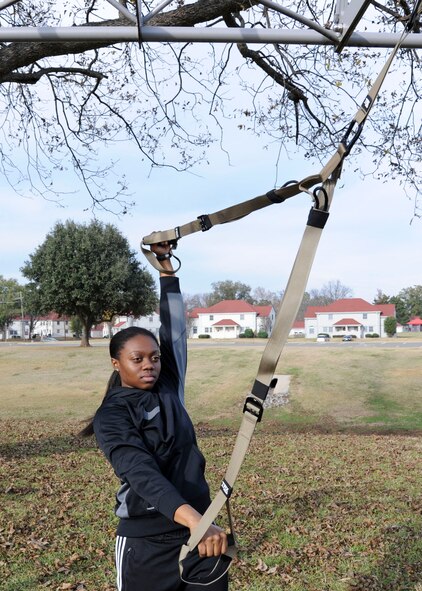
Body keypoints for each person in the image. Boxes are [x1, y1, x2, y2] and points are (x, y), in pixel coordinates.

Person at [81, 241, 229, 591]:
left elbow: (174, 331)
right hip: (147, 544)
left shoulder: (168, 386)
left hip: (202, 537)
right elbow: (141, 474)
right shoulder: (112, 415)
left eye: (154, 357)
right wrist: (196, 521)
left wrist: (166, 271)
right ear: (117, 363)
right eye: (138, 359)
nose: (149, 364)